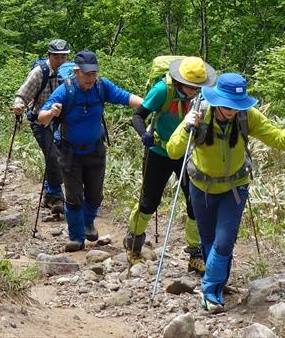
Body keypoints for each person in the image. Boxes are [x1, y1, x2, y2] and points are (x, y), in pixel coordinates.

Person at [167, 72, 285, 314]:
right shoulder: (200, 113)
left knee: (224, 240)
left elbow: (280, 140)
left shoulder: (247, 116)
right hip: (201, 187)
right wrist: (187, 127)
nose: (232, 110)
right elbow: (173, 151)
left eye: (236, 106)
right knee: (209, 241)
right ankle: (219, 284)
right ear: (217, 100)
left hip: (234, 188)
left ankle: (210, 291)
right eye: (228, 106)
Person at [34, 50, 143, 251]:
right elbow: (41, 117)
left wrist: (149, 105)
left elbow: (125, 97)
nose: (90, 78)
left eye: (93, 73)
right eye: (86, 74)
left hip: (95, 150)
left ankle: (88, 223)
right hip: (69, 153)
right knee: (74, 197)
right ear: (76, 72)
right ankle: (76, 237)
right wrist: (51, 112)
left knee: (94, 195)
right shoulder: (65, 91)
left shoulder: (102, 87)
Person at [125, 55, 216, 270]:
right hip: (159, 151)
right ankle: (134, 245)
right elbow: (138, 117)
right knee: (149, 202)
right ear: (179, 82)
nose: (196, 90)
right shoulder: (161, 91)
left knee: (195, 202)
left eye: (198, 86)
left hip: (186, 152)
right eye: (192, 87)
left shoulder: (202, 96)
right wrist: (143, 136)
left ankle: (196, 255)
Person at [12, 38, 72, 218]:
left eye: (64, 57)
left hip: (62, 122)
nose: (61, 61)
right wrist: (18, 105)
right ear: (49, 56)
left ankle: (50, 192)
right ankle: (55, 196)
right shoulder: (39, 72)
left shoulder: (69, 73)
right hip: (41, 121)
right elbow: (22, 94)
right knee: (52, 156)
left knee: (63, 157)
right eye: (57, 57)